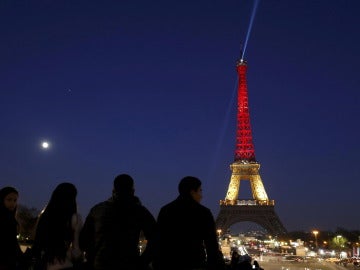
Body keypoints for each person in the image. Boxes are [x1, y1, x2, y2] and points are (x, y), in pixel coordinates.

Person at [79, 174, 156, 270]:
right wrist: (142, 262)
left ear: (113, 190)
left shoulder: (97, 210)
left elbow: (83, 240)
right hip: (129, 264)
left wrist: (92, 258)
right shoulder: (139, 211)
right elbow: (156, 238)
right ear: (132, 191)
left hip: (101, 264)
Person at [153, 176, 225, 270]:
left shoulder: (165, 210)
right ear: (192, 192)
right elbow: (211, 245)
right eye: (200, 191)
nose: (201, 195)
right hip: (195, 263)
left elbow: (158, 240)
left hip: (169, 264)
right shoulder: (204, 212)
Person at [32, 182, 83, 270]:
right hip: (63, 263)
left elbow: (37, 246)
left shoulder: (45, 216)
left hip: (43, 263)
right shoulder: (74, 218)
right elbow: (76, 252)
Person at [0, 187, 23, 270]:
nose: (12, 203)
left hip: (11, 261)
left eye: (15, 200)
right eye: (9, 199)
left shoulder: (11, 218)